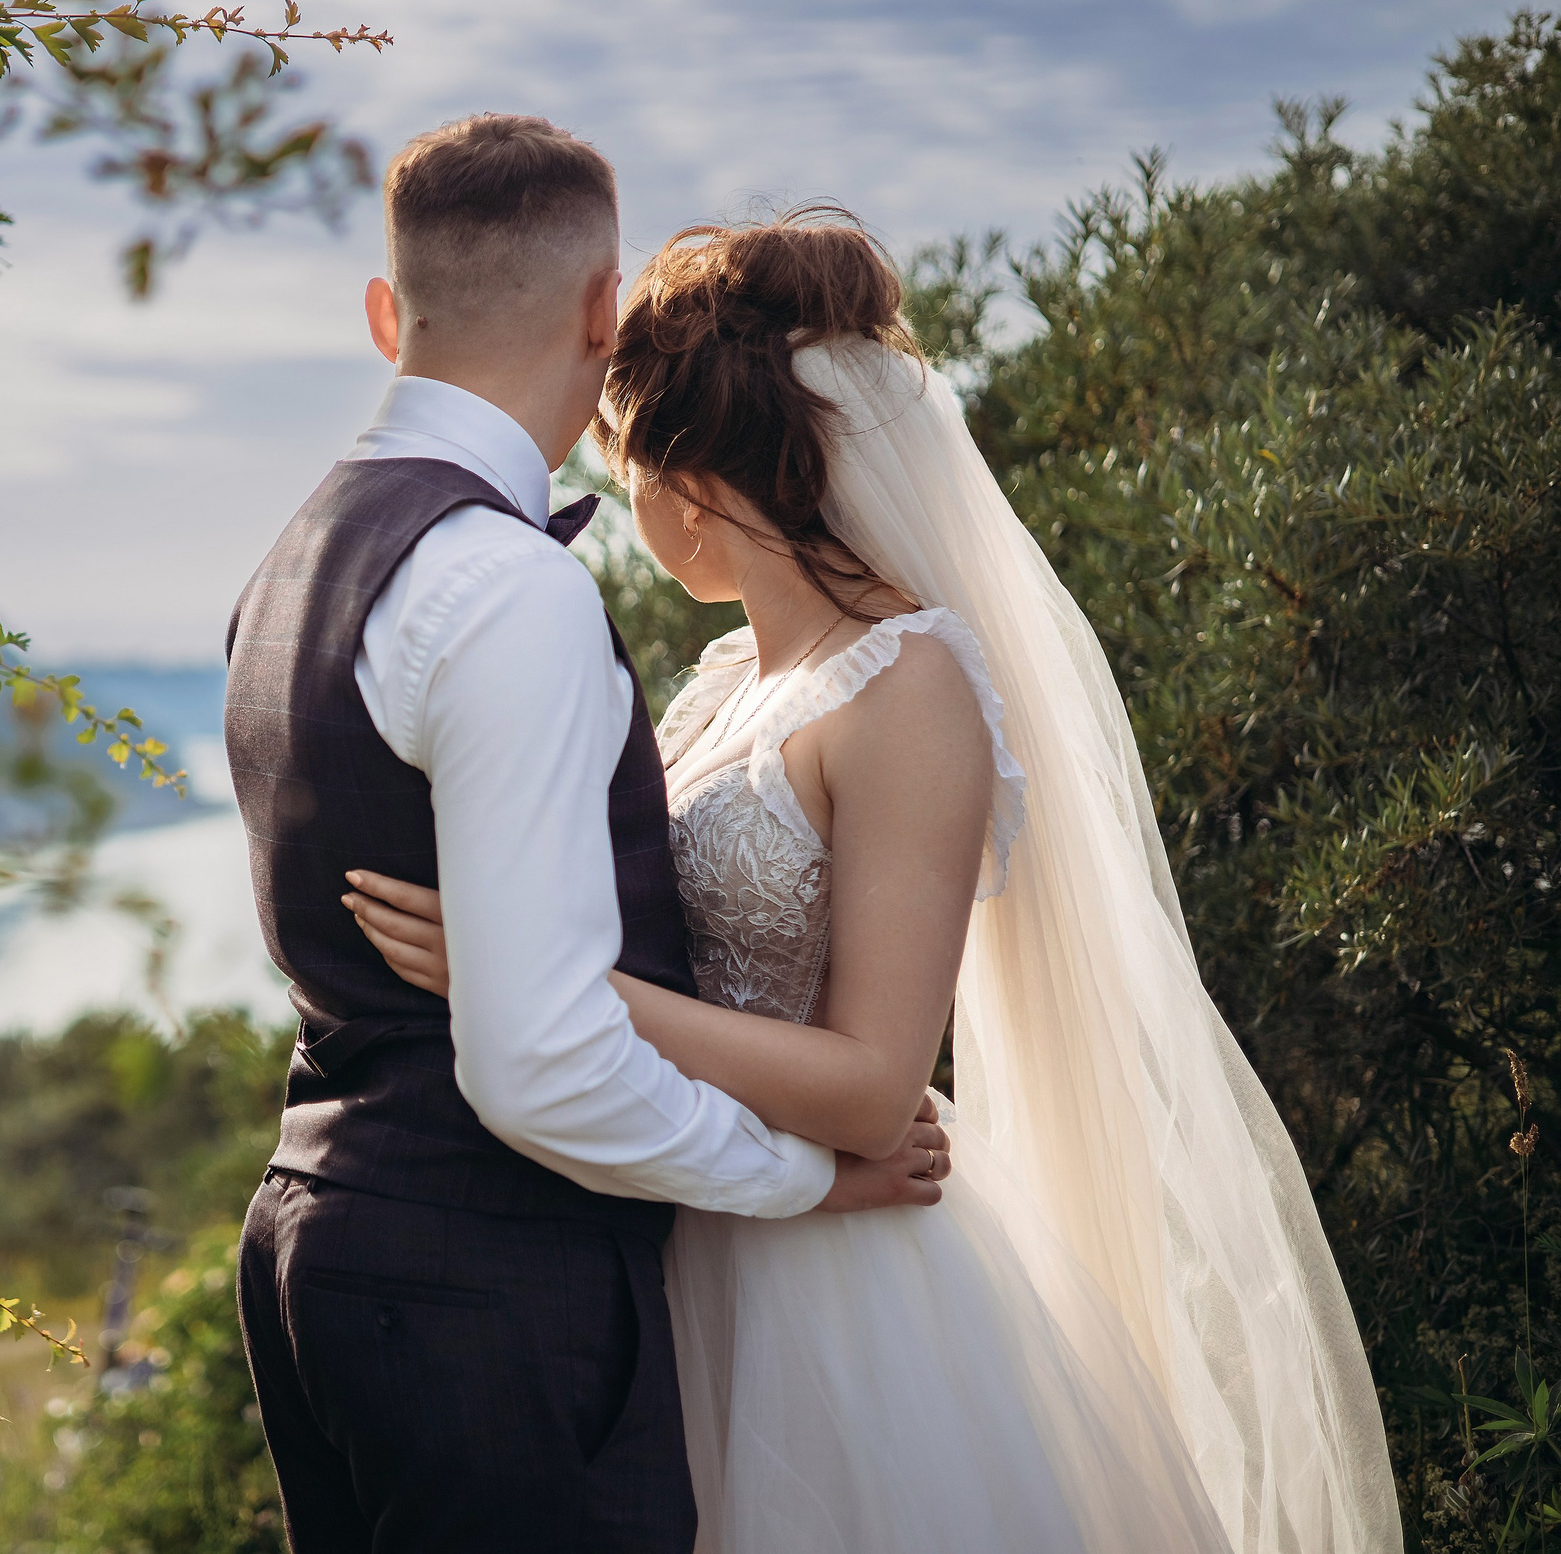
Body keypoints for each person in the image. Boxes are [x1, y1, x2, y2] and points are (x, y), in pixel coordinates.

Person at [343, 208, 1402, 1552]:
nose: (626, 506)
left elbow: (871, 1083)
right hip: (693, 1217)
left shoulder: (912, 690)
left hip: (846, 1280)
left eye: (627, 471)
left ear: (697, 485)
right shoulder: (724, 682)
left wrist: (550, 986)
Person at [222, 117, 948, 1554]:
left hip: (317, 1244)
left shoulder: (294, 557)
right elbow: (539, 1060)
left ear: (388, 316)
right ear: (598, 317)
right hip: (485, 1292)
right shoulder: (505, 588)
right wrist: (809, 1181)